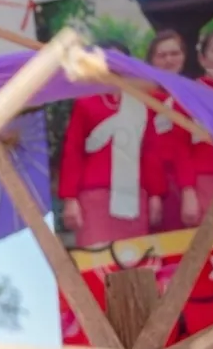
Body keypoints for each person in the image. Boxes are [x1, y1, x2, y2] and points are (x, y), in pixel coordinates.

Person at [59, 76, 166, 247]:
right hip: (95, 197)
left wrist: (155, 194)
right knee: (96, 258)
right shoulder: (86, 102)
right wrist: (70, 199)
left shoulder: (140, 104)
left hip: (134, 194)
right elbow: (73, 151)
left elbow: (150, 152)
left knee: (134, 259)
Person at [140, 30, 200, 229]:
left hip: (197, 183)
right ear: (152, 61)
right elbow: (149, 149)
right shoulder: (145, 98)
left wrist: (189, 188)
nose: (169, 60)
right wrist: (155, 193)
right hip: (160, 185)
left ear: (183, 57)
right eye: (162, 55)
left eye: (174, 53)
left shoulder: (196, 95)